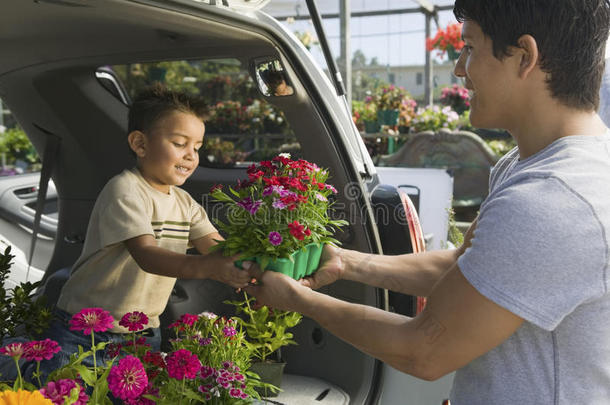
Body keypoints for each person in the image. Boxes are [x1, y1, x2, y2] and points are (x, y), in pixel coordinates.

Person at [246, 1, 610, 403]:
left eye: (469, 48)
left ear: (524, 55)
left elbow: (425, 350)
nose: (458, 69)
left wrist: (299, 300)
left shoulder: (552, 198)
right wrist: (347, 263)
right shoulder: (538, 166)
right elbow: (465, 268)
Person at [1, 85, 254, 382]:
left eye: (196, 147)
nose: (190, 155)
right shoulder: (125, 190)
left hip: (143, 334)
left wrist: (250, 268)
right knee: (59, 389)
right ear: (140, 144)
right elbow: (147, 255)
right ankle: (11, 359)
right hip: (85, 329)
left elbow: (217, 248)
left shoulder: (185, 203)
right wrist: (209, 268)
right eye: (179, 143)